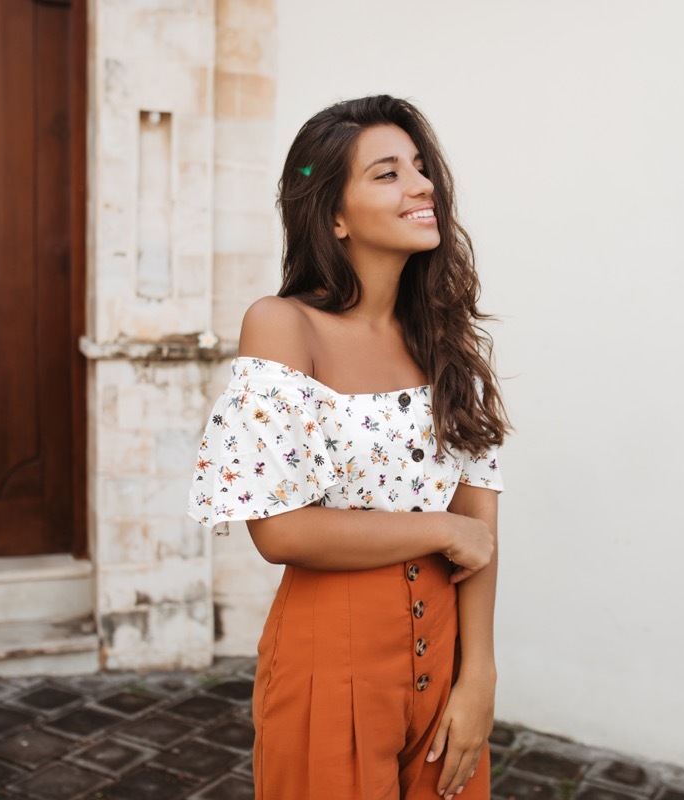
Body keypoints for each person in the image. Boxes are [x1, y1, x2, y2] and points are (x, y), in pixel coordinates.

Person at [187, 95, 509, 800]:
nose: (422, 186)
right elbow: (280, 530)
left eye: (421, 169)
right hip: (327, 662)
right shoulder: (282, 326)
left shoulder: (447, 343)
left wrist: (478, 674)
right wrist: (440, 529)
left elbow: (481, 527)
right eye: (387, 173)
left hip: (447, 662)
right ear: (334, 214)